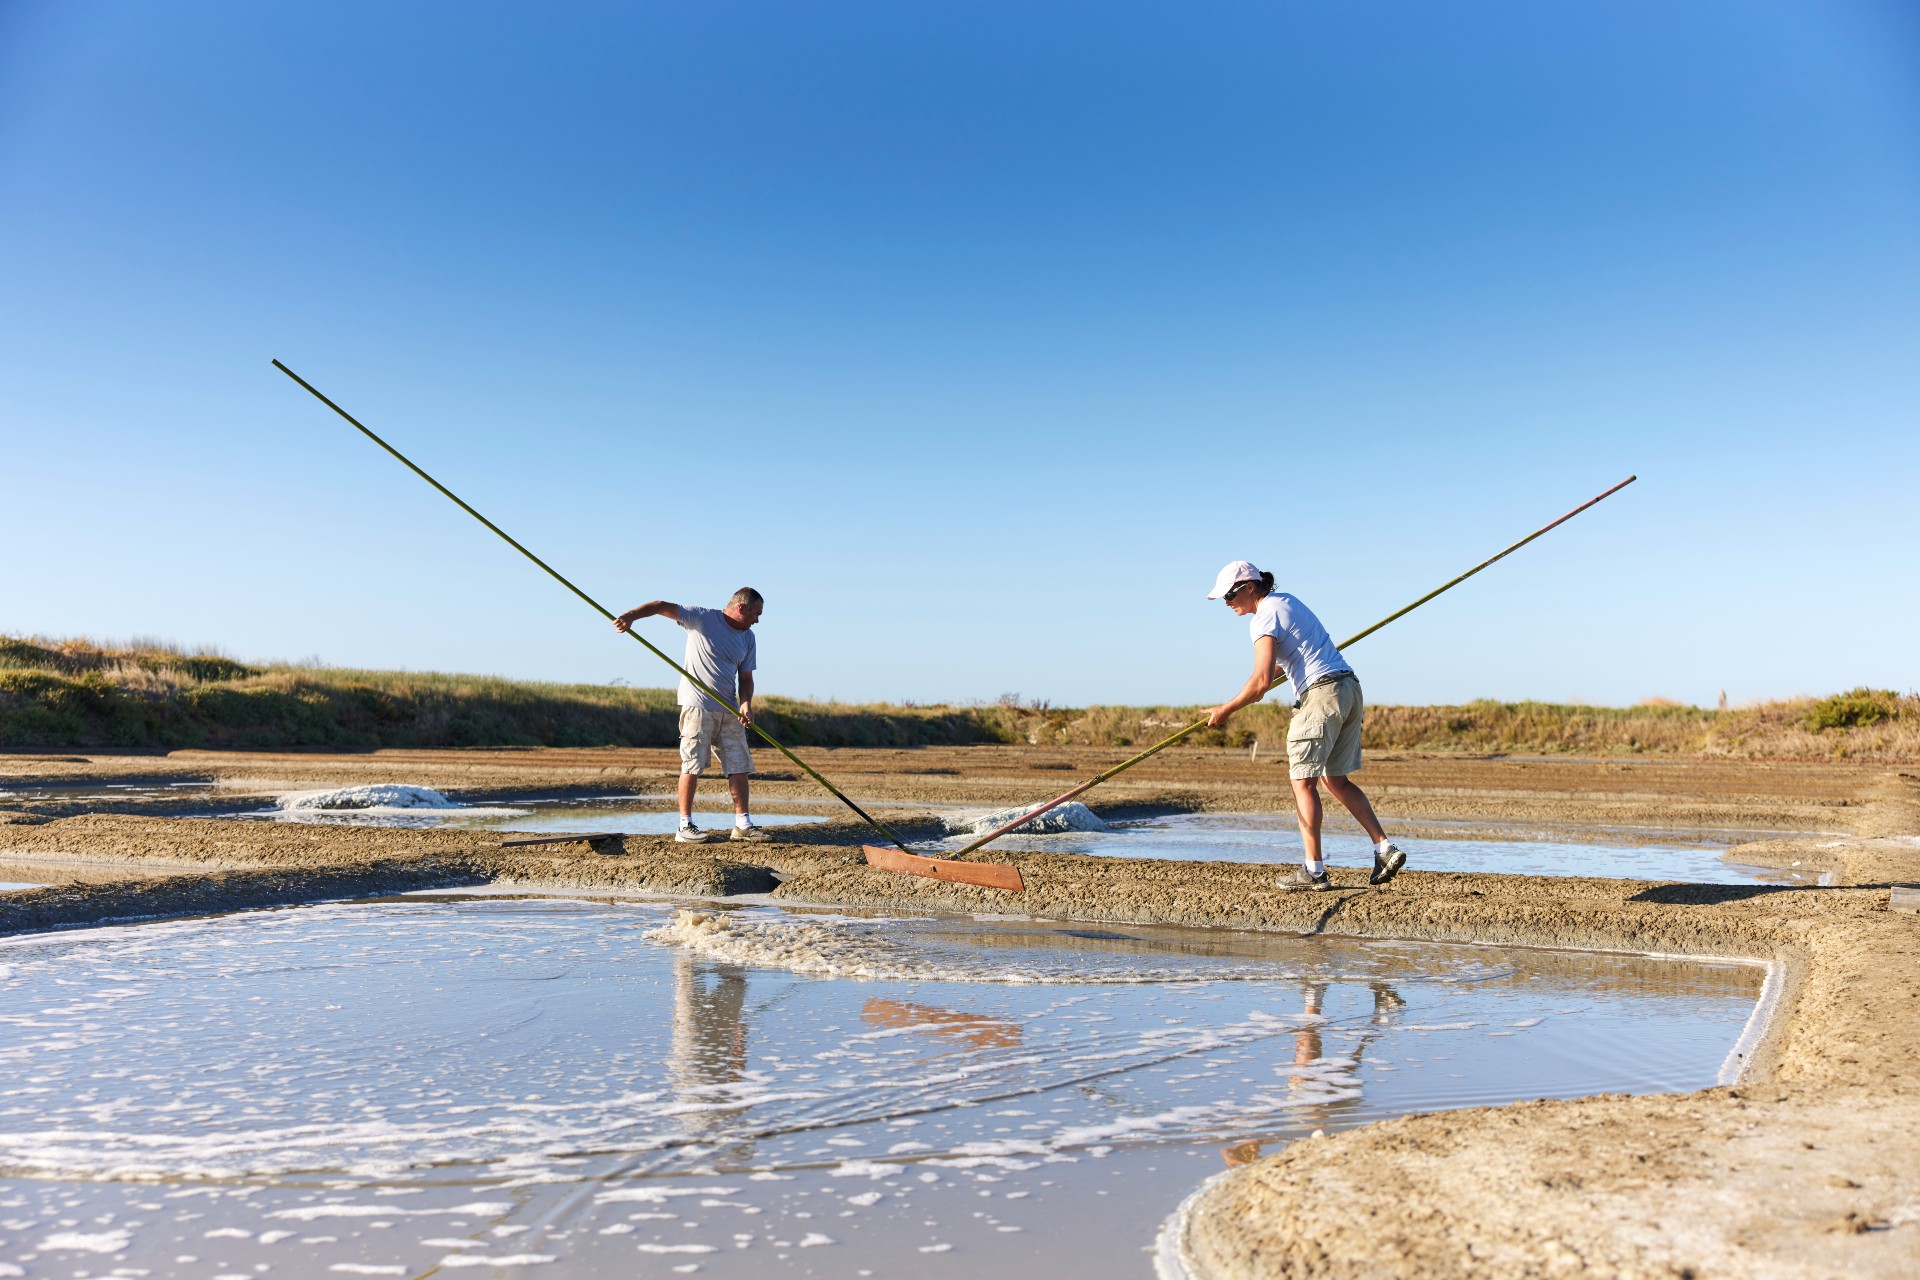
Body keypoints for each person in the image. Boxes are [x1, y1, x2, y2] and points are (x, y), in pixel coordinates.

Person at [1204, 561, 1406, 891]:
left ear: (1250, 588)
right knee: (1335, 780)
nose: (1227, 603)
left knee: (1303, 783)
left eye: (1230, 595)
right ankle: (1384, 848)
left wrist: (1225, 710)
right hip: (1348, 688)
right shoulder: (1288, 601)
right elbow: (1293, 661)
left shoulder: (1263, 617)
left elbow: (1261, 682)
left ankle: (1314, 871)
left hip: (1321, 695)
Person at [614, 588, 771, 843]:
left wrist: (745, 703)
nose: (757, 620)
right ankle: (685, 826)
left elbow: (746, 678)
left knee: (739, 765)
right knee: (692, 764)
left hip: (730, 709)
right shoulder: (701, 618)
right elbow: (660, 605)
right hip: (697, 705)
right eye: (755, 614)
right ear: (741, 608)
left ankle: (743, 825)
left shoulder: (748, 638)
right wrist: (630, 616)